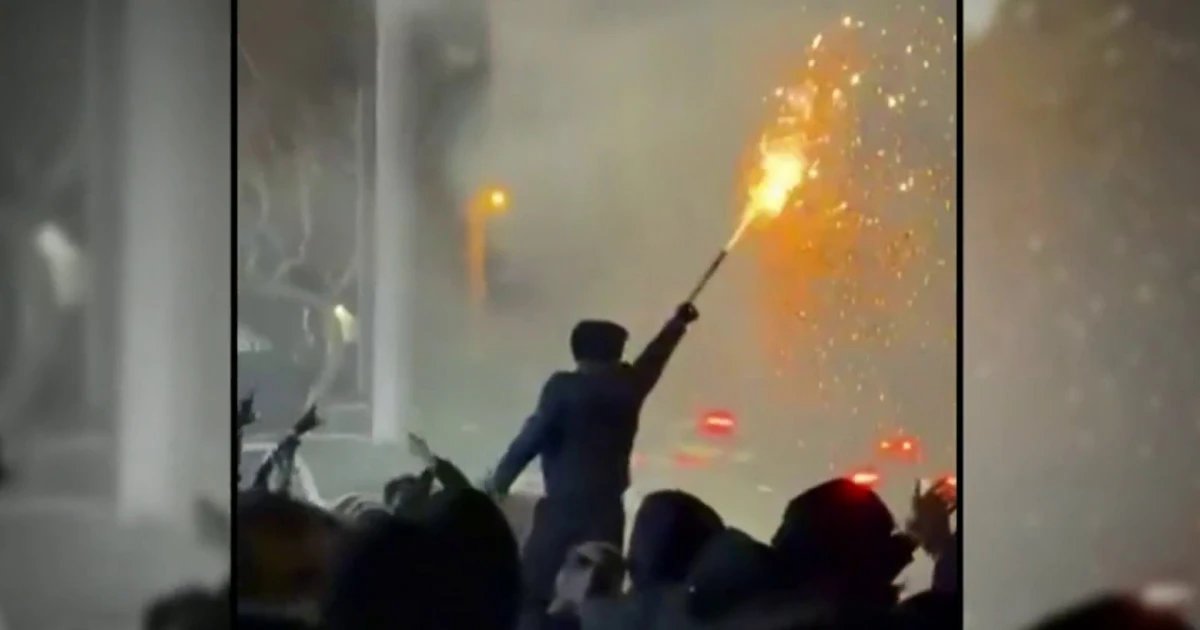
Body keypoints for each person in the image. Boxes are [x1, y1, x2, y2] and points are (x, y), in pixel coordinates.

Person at [484, 302, 700, 619]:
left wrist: (499, 482)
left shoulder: (563, 387)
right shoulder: (628, 387)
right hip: (607, 510)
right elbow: (654, 359)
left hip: (562, 507)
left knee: (537, 589)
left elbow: (533, 436)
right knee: (598, 594)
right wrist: (678, 324)